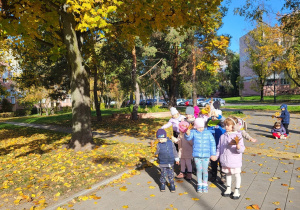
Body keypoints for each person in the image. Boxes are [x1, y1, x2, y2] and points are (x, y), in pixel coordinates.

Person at [213, 117, 245, 200]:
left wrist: (238, 146)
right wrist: (217, 156)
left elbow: (241, 149)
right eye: (225, 125)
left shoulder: (238, 135)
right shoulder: (222, 136)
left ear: (233, 126)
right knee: (228, 174)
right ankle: (228, 188)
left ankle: (237, 190)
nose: (226, 127)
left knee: (237, 174)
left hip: (234, 160)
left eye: (228, 125)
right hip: (225, 159)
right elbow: (219, 147)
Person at [185, 118, 216, 193]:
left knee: (205, 170)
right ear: (195, 127)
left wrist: (213, 154)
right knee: (199, 169)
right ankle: (199, 183)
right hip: (197, 155)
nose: (200, 129)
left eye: (202, 127)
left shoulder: (208, 133)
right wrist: (187, 134)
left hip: (206, 155)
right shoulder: (194, 132)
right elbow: (188, 138)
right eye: (199, 127)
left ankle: (205, 184)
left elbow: (212, 144)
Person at [206, 109, 226, 184]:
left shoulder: (223, 125)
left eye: (215, 116)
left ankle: (223, 176)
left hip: (221, 146)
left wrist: (219, 116)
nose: (214, 118)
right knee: (213, 162)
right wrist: (210, 117)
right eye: (213, 116)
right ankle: (214, 175)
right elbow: (206, 123)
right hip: (212, 147)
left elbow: (224, 120)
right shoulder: (209, 124)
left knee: (222, 162)